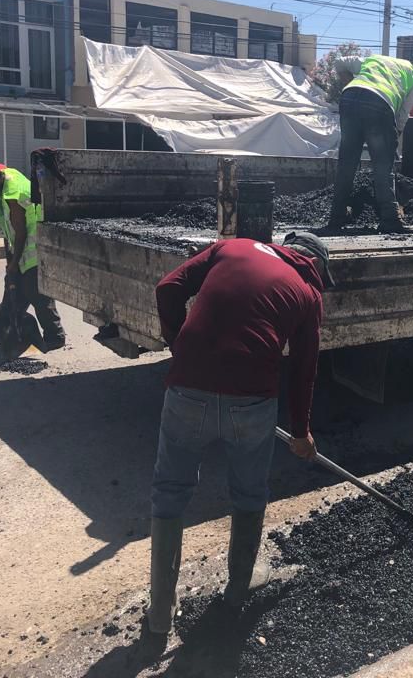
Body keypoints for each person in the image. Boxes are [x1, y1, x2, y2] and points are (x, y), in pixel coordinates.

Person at [146, 231, 335, 635]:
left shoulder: (232, 246)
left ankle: (160, 614)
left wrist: (180, 348)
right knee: (249, 492)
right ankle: (237, 590)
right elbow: (304, 370)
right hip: (250, 402)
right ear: (315, 264)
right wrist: (301, 432)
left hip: (186, 391)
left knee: (170, 492)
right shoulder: (307, 291)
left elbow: (167, 289)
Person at [0, 156, 65, 351]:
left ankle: (55, 336)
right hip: (19, 246)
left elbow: (20, 232)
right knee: (10, 286)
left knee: (35, 292)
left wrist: (14, 263)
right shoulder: (1, 179)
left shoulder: (13, 193)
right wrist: (10, 262)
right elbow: (6, 228)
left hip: (34, 246)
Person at [328, 54, 413, 234]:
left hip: (348, 98)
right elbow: (402, 115)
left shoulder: (371, 60)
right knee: (382, 167)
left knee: (347, 163)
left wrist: (352, 84)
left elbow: (339, 62)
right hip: (379, 104)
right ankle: (391, 219)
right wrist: (393, 138)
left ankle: (336, 217)